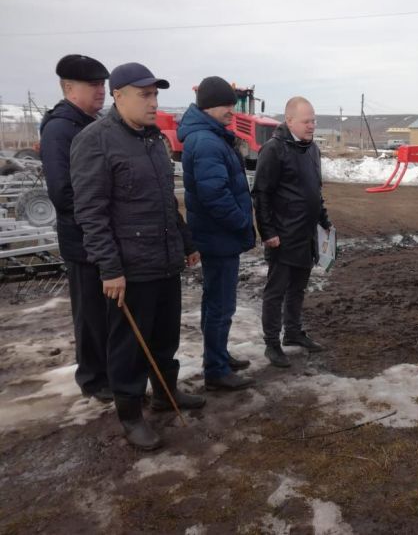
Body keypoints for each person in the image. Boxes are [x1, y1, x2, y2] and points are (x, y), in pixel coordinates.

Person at [70, 62, 205, 451]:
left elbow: (166, 201)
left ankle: (166, 392)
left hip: (164, 261)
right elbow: (90, 213)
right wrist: (109, 268)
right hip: (129, 267)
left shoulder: (153, 140)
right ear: (118, 95)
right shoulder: (96, 140)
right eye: (145, 95)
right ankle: (130, 415)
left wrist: (186, 242)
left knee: (165, 336)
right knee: (129, 344)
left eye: (156, 94)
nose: (153, 102)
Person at [40, 54, 113, 403]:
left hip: (103, 234)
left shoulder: (91, 122)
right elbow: (62, 192)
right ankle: (94, 379)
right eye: (93, 85)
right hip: (82, 238)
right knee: (90, 313)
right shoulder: (60, 128)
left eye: (102, 84)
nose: (101, 90)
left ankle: (109, 371)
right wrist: (104, 209)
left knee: (107, 311)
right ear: (69, 87)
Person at [178, 76, 256, 391]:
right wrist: (241, 221)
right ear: (211, 106)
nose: (231, 111)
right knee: (220, 305)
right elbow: (214, 195)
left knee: (219, 302)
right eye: (227, 105)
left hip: (217, 236)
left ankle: (219, 356)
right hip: (219, 236)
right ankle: (216, 369)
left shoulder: (209, 136)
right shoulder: (207, 141)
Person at [252, 96, 332, 368]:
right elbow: (261, 194)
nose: (312, 126)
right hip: (283, 236)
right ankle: (272, 343)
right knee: (276, 291)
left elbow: (315, 191)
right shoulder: (273, 150)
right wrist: (268, 232)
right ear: (289, 120)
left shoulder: (312, 150)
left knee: (298, 287)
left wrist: (324, 220)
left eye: (314, 121)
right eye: (306, 121)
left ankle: (294, 332)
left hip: (306, 235)